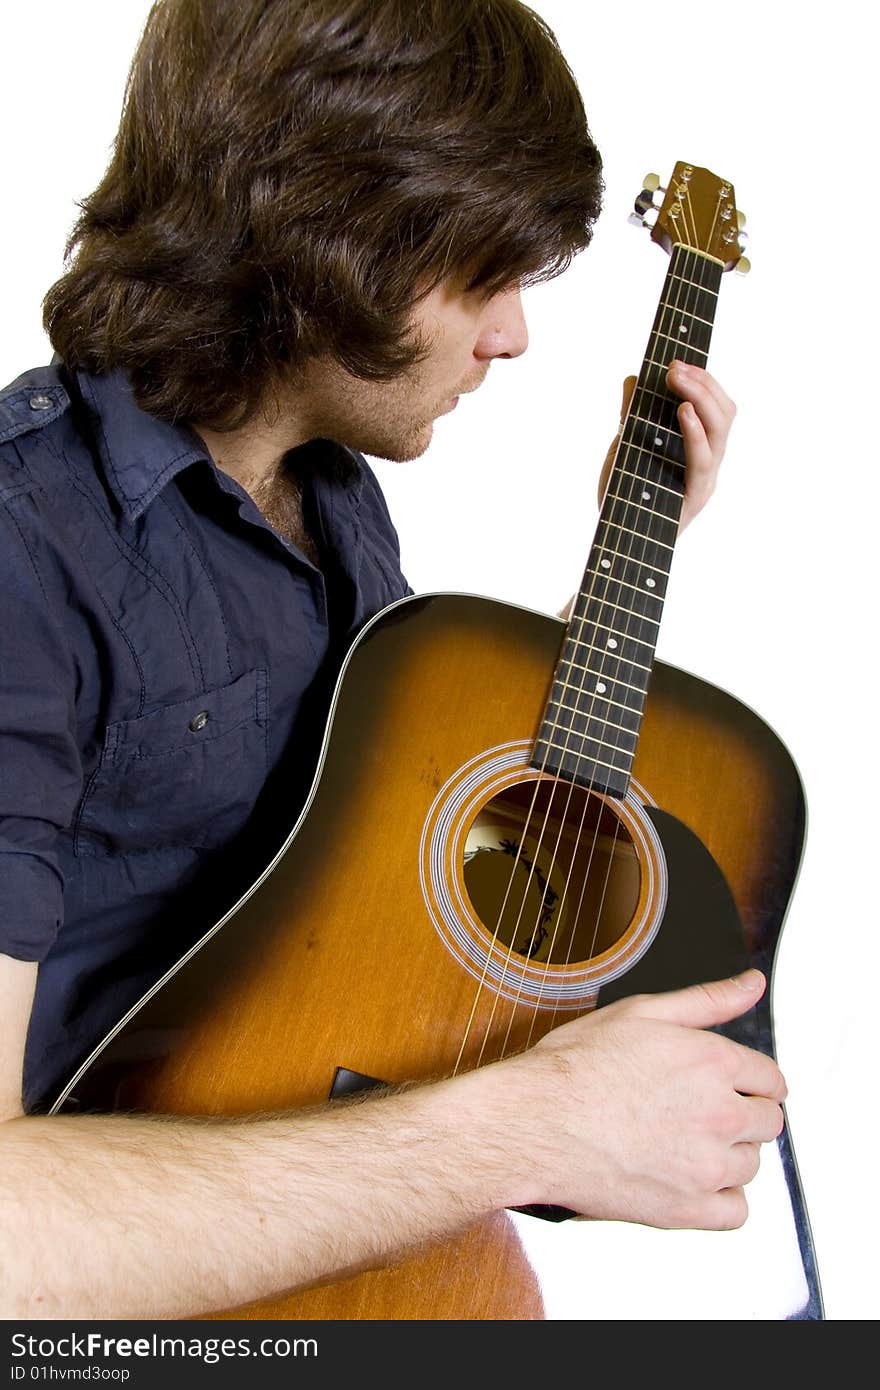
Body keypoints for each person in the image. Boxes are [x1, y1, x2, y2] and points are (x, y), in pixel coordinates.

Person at [0, 0, 782, 1320]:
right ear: (328, 240)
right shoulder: (26, 554)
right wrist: (524, 1126)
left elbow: (360, 872)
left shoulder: (336, 493)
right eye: (482, 274)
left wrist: (640, 533)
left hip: (361, 1209)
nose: (514, 335)